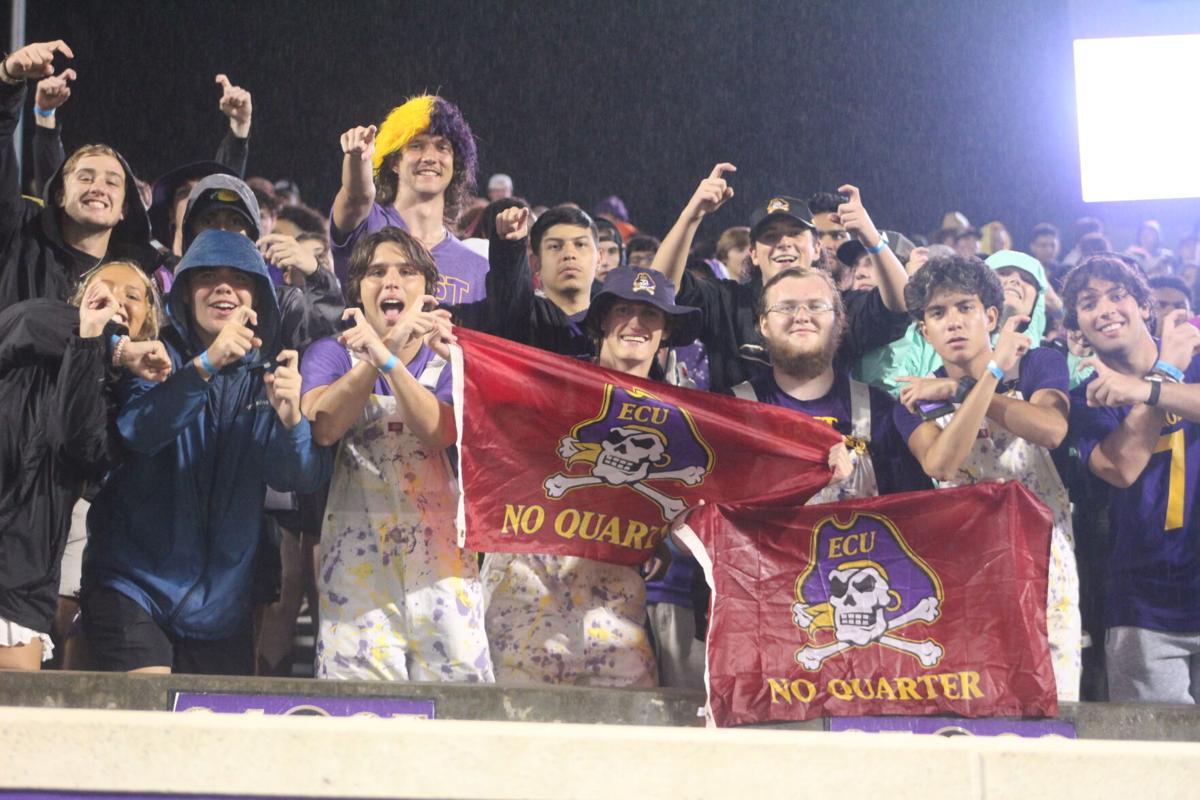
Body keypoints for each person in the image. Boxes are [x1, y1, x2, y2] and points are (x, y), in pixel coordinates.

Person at [81, 230, 330, 675]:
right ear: (185, 293)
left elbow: (296, 477)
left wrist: (292, 419)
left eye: (239, 277)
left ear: (258, 295)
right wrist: (204, 365)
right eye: (208, 276)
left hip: (220, 612)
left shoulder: (269, 373)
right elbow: (139, 431)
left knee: (210, 742)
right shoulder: (155, 354)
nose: (223, 287)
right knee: (152, 722)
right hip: (132, 588)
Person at [482, 265, 702, 687]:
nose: (636, 324)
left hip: (614, 604)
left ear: (667, 330)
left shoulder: (681, 419)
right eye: (623, 310)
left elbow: (678, 515)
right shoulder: (550, 382)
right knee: (519, 738)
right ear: (602, 320)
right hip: (528, 590)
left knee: (622, 742)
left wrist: (664, 539)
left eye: (651, 314)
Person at [299, 226, 492, 682]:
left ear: (428, 289)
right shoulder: (331, 354)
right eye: (376, 272)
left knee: (458, 712)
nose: (391, 283)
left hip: (443, 573)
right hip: (356, 570)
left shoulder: (453, 358)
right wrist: (379, 353)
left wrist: (388, 360)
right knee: (361, 722)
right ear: (357, 290)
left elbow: (437, 430)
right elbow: (325, 425)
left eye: (406, 272)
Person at [891, 254, 1081, 701]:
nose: (953, 322)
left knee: (1056, 701)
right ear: (924, 330)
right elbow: (940, 464)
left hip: (1046, 561)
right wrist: (989, 375)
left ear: (990, 315)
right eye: (937, 313)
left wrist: (963, 389)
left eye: (964, 308)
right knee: (979, 704)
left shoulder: (1037, 364)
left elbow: (1051, 430)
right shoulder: (915, 397)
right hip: (966, 568)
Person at [0, 262, 169, 670]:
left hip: (20, 570)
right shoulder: (34, 321)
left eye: (133, 295)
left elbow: (77, 442)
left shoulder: (125, 405)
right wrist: (115, 346)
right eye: (104, 287)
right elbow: (21, 324)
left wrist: (93, 345)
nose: (118, 299)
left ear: (149, 324)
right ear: (78, 299)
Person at [1064, 255, 1200, 703]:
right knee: (1157, 764)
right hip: (1142, 605)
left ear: (1145, 307)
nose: (1104, 309)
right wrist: (1167, 375)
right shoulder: (1083, 401)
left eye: (1117, 296)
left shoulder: (1194, 356)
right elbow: (1121, 468)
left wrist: (1153, 386)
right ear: (1078, 327)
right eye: (1088, 303)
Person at [654, 165, 911, 394]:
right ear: (753, 254)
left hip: (826, 445)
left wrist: (871, 238)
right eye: (770, 235)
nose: (784, 242)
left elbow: (901, 304)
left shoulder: (840, 307)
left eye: (795, 233)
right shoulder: (729, 303)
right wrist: (691, 216)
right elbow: (661, 288)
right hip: (741, 443)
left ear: (816, 249)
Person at [0, 40, 156, 312]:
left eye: (112, 182)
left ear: (124, 209)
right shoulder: (19, 235)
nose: (98, 187)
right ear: (60, 194)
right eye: (85, 177)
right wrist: (8, 80)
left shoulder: (132, 281)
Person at [331, 95, 487, 305]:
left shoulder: (477, 269)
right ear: (395, 162)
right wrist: (358, 157)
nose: (430, 157)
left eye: (442, 147)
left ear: (455, 164)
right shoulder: (366, 223)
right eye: (416, 146)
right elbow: (357, 195)